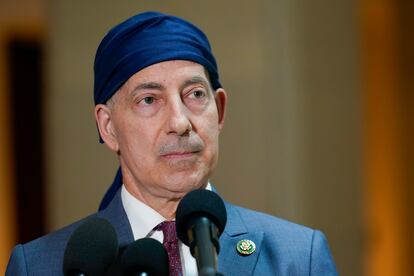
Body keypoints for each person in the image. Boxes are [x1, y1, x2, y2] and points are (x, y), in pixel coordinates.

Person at [6, 11, 338, 275]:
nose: (180, 123)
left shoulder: (298, 258)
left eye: (195, 95)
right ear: (107, 127)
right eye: (149, 100)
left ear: (219, 110)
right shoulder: (40, 265)